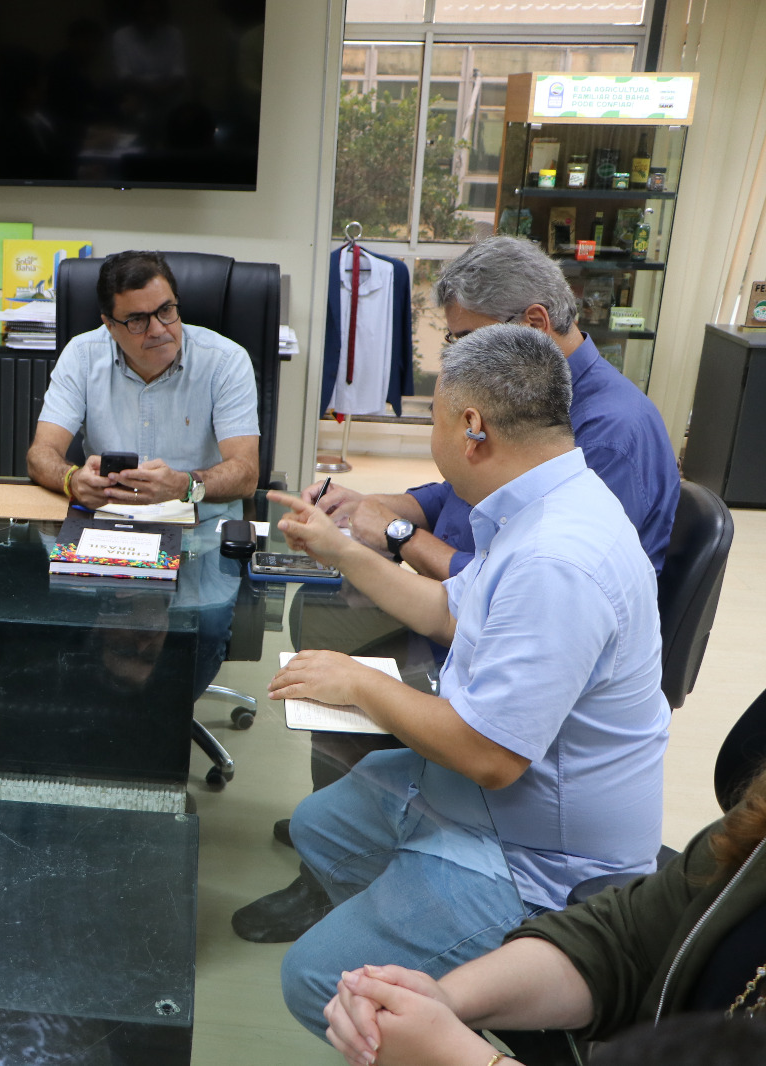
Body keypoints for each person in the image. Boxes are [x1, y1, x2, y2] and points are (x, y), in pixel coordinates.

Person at [236, 235, 683, 944]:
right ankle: (369, 838)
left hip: (542, 776)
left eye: (466, 342)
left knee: (352, 659)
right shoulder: (536, 450)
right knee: (323, 623)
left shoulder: (595, 464)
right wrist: (366, 524)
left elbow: (500, 721)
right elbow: (460, 537)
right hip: (490, 640)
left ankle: (365, 867)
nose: (456, 360)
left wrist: (392, 548)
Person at [322, 761, 766, 1066]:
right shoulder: (757, 833)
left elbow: (489, 756)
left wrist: (461, 1057)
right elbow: (626, 937)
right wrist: (445, 998)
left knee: (316, 971)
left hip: (544, 866)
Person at [298, 236, 679, 580]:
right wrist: (368, 506)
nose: (459, 357)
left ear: (534, 324)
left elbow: (526, 583)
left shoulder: (609, 435)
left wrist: (399, 534)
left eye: (468, 339)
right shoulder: (521, 390)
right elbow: (460, 496)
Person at [25, 250, 260, 516]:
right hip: (108, 522)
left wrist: (184, 485)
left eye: (166, 310)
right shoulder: (82, 356)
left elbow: (246, 474)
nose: (158, 329)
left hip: (202, 525)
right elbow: (40, 454)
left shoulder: (226, 361)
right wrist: (71, 480)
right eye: (138, 320)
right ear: (110, 326)